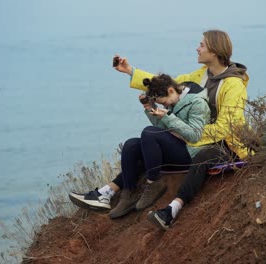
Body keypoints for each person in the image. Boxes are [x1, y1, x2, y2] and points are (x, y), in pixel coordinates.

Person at [114, 29, 250, 230]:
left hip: (222, 144)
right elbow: (168, 85)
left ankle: (171, 208)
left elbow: (228, 126)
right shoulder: (201, 75)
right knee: (137, 143)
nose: (197, 48)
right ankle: (121, 192)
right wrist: (131, 71)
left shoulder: (234, 85)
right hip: (192, 137)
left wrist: (187, 133)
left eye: (202, 45)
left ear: (214, 50)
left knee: (194, 155)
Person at [69, 74, 210, 218]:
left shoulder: (197, 103)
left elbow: (195, 135)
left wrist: (168, 116)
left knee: (148, 133)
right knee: (131, 145)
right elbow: (162, 128)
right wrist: (150, 108)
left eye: (164, 102)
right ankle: (128, 193)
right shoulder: (174, 100)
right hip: (175, 146)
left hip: (190, 153)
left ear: (171, 90)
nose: (165, 105)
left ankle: (154, 183)